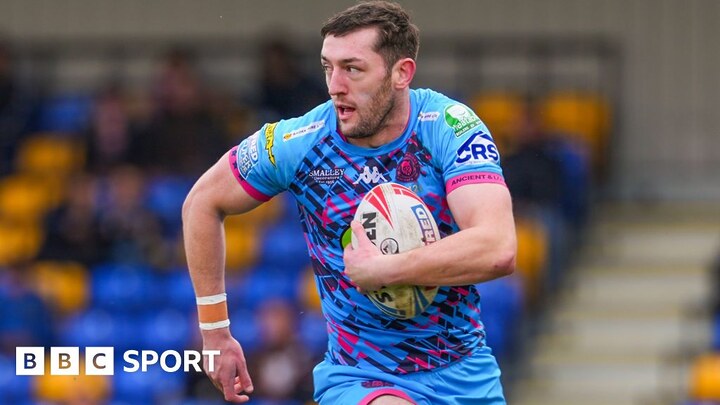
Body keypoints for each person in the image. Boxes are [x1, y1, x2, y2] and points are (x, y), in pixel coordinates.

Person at [182, 2, 516, 404]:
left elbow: (498, 248)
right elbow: (202, 202)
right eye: (328, 67)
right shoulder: (300, 142)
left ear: (401, 73)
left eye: (352, 69)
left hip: (467, 374)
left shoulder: (449, 127)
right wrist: (215, 331)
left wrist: (385, 269)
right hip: (362, 377)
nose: (335, 85)